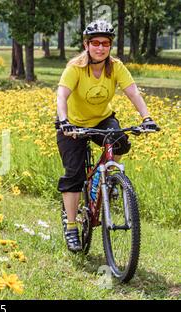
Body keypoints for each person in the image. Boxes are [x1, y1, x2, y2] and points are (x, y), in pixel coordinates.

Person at [55, 20, 159, 252]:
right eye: (95, 43)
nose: (100, 48)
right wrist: (64, 122)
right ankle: (71, 226)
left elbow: (133, 92)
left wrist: (147, 118)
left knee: (120, 140)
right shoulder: (75, 68)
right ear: (86, 44)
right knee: (74, 174)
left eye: (105, 43)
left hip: (102, 119)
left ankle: (107, 180)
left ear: (110, 46)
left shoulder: (116, 67)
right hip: (72, 124)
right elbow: (61, 96)